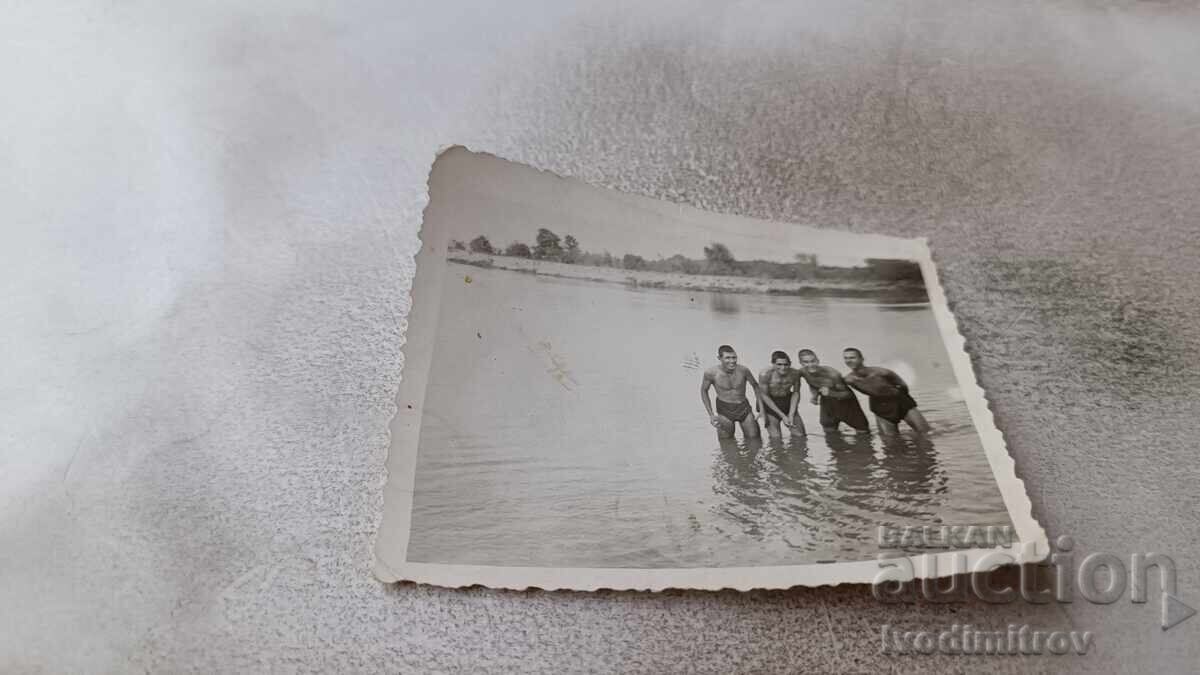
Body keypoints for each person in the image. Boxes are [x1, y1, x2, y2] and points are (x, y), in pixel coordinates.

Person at [701, 345, 789, 440]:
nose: (732, 361)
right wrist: (711, 415)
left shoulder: (743, 370)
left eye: (734, 357)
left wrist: (762, 409)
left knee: (755, 440)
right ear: (719, 358)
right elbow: (704, 391)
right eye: (728, 358)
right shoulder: (711, 373)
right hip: (724, 410)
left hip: (743, 407)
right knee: (727, 443)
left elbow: (755, 386)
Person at [841, 347, 930, 434]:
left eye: (852, 357)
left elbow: (903, 385)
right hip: (881, 407)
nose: (849, 361)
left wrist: (902, 398)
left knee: (926, 432)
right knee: (890, 441)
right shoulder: (849, 380)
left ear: (861, 359)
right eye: (846, 358)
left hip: (901, 402)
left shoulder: (880, 372)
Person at [796, 349, 870, 433]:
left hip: (846, 403)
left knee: (863, 432)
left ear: (817, 361)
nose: (810, 365)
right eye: (806, 362)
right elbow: (812, 383)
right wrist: (815, 396)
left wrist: (831, 393)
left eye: (813, 361)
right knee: (829, 431)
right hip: (827, 403)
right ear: (801, 363)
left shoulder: (832, 374)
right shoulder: (802, 372)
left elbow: (848, 394)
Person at [757, 350, 806, 440]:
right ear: (773, 364)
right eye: (779, 364)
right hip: (770, 403)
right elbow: (764, 395)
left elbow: (796, 393)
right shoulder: (765, 374)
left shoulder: (795, 374)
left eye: (786, 364)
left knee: (800, 437)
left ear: (790, 364)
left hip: (787, 401)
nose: (783, 368)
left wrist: (791, 414)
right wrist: (783, 416)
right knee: (776, 438)